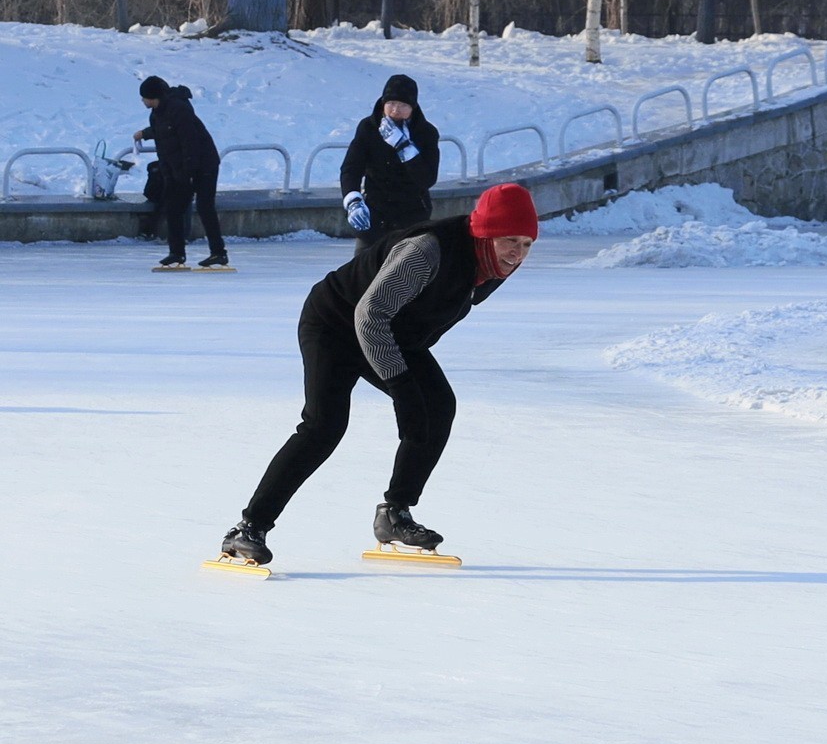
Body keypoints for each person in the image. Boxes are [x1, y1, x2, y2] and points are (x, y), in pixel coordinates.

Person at [218, 183, 539, 565]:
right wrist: (401, 385)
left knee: (436, 406)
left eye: (526, 244)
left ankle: (395, 513)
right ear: (484, 233)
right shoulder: (426, 250)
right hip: (335, 324)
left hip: (392, 333)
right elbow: (369, 315)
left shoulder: (493, 264)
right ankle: (248, 528)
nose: (517, 254)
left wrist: (412, 383)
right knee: (324, 426)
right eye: (509, 241)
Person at [340, 74, 441, 256]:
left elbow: (427, 179)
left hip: (411, 220)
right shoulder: (368, 128)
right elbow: (350, 169)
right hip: (374, 217)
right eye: (391, 103)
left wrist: (404, 147)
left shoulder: (426, 133)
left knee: (405, 278)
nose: (395, 110)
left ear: (413, 107)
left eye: (403, 105)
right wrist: (353, 200)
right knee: (361, 276)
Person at [133, 75, 228, 268]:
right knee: (173, 207)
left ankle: (219, 253)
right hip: (181, 168)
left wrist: (189, 173)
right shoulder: (157, 112)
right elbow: (163, 133)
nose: (142, 101)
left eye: (144, 97)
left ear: (153, 97)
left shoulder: (179, 109)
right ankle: (176, 253)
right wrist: (146, 133)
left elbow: (189, 142)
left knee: (204, 207)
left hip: (204, 165)